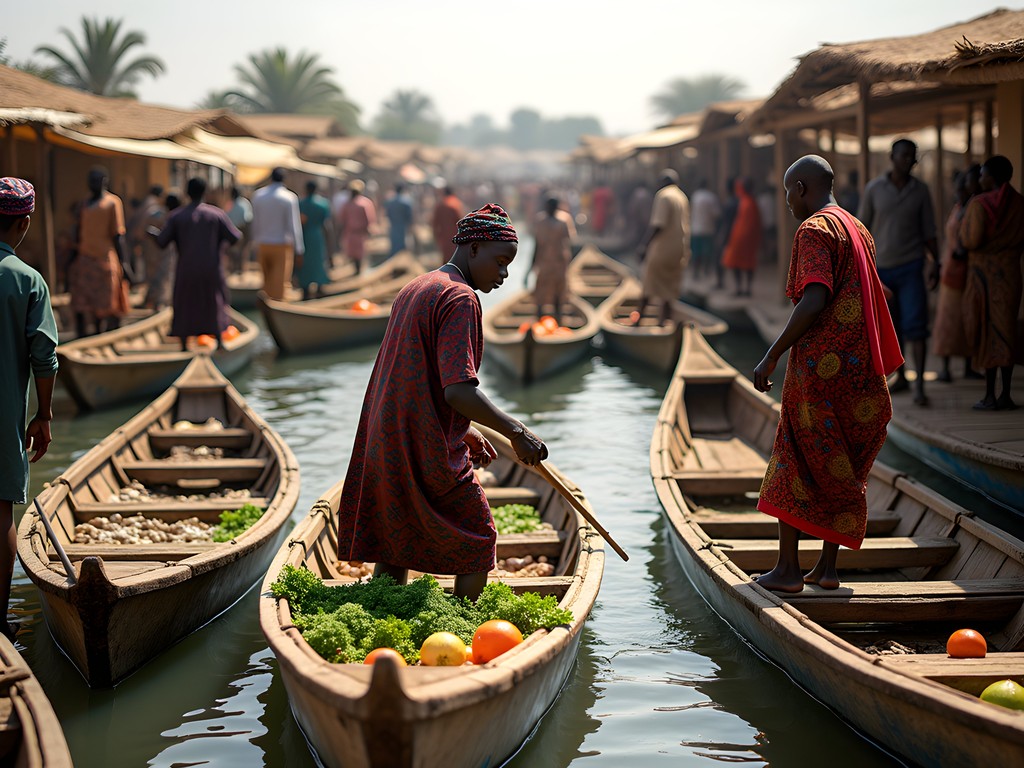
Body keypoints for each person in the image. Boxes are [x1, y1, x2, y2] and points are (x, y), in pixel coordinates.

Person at [337, 204, 547, 601]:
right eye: (500, 262)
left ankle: (386, 612)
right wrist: (517, 433)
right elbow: (457, 390)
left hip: (385, 434)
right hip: (419, 441)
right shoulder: (461, 299)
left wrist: (463, 428)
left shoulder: (419, 286)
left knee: (393, 542)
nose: (504, 274)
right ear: (473, 249)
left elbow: (418, 377)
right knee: (478, 538)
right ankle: (463, 624)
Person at [752, 155, 902, 593]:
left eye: (786, 192)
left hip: (820, 370)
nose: (786, 202)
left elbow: (815, 297)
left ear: (801, 188)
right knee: (842, 461)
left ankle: (787, 570)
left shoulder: (814, 229)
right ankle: (827, 568)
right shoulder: (859, 229)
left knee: (795, 455)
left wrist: (772, 354)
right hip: (859, 373)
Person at [0, 178, 58, 640]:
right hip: (4, 419)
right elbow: (45, 356)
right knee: (2, 516)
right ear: (22, 222)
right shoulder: (26, 279)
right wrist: (44, 415)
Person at [858, 138, 939, 406]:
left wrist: (935, 263)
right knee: (891, 328)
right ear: (891, 157)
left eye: (911, 157)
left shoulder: (920, 191)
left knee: (916, 325)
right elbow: (862, 229)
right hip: (881, 270)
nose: (906, 160)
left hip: (912, 266)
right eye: (902, 155)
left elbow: (929, 231)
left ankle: (919, 386)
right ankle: (901, 376)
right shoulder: (874, 189)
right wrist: (861, 267)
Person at [960, 155, 1024, 411]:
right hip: (1010, 275)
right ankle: (1006, 394)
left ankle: (989, 395)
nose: (980, 178)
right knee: (1006, 329)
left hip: (982, 277)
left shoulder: (979, 204)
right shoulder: (1020, 203)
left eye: (984, 174)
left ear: (993, 177)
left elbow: (971, 240)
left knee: (986, 329)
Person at [156, 177, 240, 351]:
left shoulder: (177, 216)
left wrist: (152, 235)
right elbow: (235, 237)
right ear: (205, 192)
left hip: (186, 269)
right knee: (213, 302)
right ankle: (219, 341)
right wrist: (218, 246)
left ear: (187, 193)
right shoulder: (216, 214)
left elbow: (162, 242)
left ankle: (185, 345)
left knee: (185, 303)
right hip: (211, 269)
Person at [932, 167, 982, 383]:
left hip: (968, 271)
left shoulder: (973, 208)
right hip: (951, 271)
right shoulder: (959, 208)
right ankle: (945, 367)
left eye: (963, 187)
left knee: (967, 319)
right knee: (947, 321)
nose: (959, 191)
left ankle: (969, 365)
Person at [69, 166, 131, 337]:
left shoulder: (112, 202)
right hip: (85, 259)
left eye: (96, 181)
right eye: (90, 181)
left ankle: (103, 337)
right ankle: (85, 337)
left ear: (104, 182)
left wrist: (125, 263)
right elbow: (78, 231)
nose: (92, 185)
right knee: (83, 303)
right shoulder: (84, 203)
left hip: (104, 258)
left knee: (106, 304)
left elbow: (118, 235)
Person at [635, 169, 691, 326]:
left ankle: (638, 320)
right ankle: (663, 322)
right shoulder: (682, 196)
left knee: (649, 284)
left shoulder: (664, 195)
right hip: (679, 248)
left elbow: (658, 224)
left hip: (663, 248)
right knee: (669, 289)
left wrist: (644, 245)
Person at [251, 167, 304, 300]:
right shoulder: (289, 198)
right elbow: (294, 226)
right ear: (284, 180)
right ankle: (277, 310)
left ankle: (267, 308)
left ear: (270, 178)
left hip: (263, 244)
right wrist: (299, 249)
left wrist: (255, 242)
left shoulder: (258, 195)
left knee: (266, 282)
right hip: (281, 245)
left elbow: (255, 222)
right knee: (280, 283)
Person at [524, 196, 576, 324]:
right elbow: (536, 245)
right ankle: (539, 323)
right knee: (540, 295)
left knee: (559, 295)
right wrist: (530, 269)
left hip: (559, 263)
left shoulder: (564, 220)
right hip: (544, 263)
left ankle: (559, 322)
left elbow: (569, 243)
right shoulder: (540, 221)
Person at [721, 178, 763, 296]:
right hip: (748, 239)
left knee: (737, 263)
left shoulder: (745, 202)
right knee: (747, 263)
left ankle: (741, 288)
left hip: (739, 239)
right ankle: (745, 288)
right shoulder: (750, 202)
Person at [138, 188, 176, 310]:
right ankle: (157, 302)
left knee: (159, 277)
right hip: (158, 251)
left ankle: (157, 302)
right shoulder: (162, 215)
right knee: (160, 277)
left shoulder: (158, 213)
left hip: (157, 251)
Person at [295, 180, 332, 300]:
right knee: (318, 261)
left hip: (305, 236)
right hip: (317, 236)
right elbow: (326, 225)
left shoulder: (301, 204)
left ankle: (305, 291)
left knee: (305, 263)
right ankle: (319, 289)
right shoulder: (323, 204)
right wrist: (330, 242)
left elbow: (299, 222)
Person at [337, 179, 377, 273]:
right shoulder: (365, 203)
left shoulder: (347, 204)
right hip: (360, 232)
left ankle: (357, 269)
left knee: (354, 252)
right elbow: (369, 219)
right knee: (360, 252)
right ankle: (359, 269)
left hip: (351, 232)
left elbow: (342, 219)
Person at [689, 179, 721, 280]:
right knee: (707, 252)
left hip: (696, 229)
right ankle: (706, 271)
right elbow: (716, 214)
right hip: (708, 229)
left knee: (696, 252)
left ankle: (696, 272)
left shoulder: (695, 196)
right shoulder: (711, 197)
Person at [225, 186, 253, 274]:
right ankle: (241, 268)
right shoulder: (244, 203)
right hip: (242, 229)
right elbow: (248, 218)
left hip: (232, 228)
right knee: (242, 249)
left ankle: (234, 268)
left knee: (233, 250)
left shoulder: (229, 204)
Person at [432, 186, 463, 260]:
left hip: (444, 237)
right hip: (455, 236)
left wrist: (436, 237)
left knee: (447, 259)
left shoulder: (440, 205)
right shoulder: (456, 203)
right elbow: (460, 221)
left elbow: (435, 223)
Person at [385, 183, 414, 256]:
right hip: (403, 227)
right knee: (403, 245)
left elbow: (387, 214)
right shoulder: (406, 202)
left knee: (394, 245)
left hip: (394, 226)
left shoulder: (390, 202)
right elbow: (409, 216)